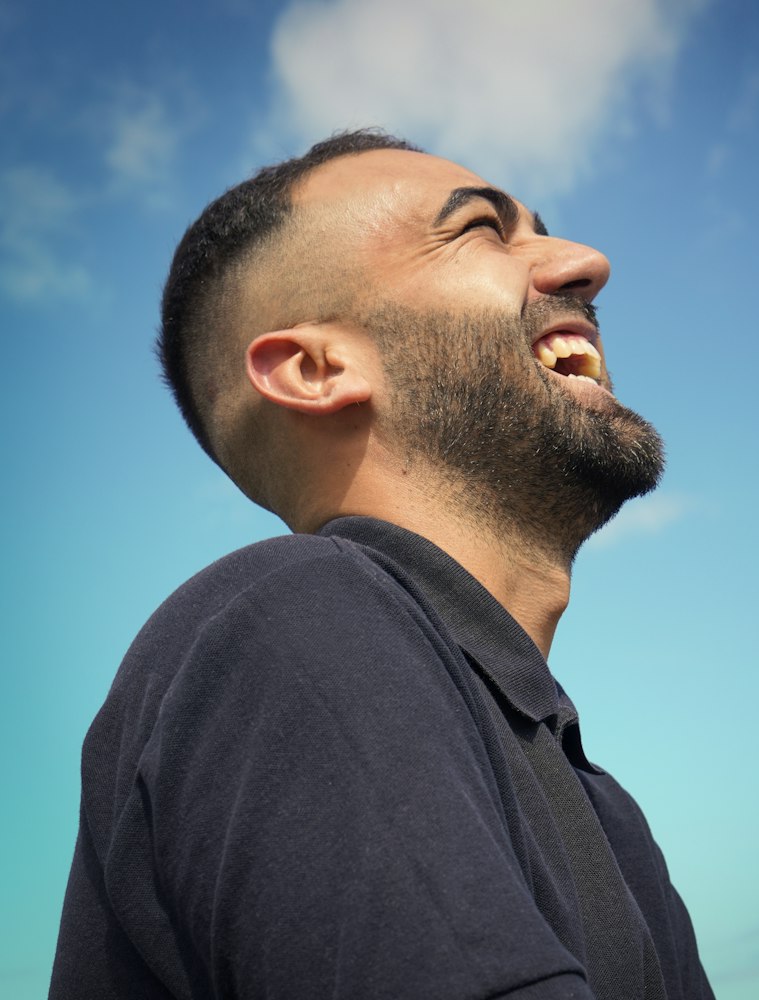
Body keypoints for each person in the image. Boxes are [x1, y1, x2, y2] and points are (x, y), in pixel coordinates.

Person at [50, 129, 715, 1000]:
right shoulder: (291, 621)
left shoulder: (602, 807)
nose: (587, 263)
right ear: (315, 368)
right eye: (481, 230)